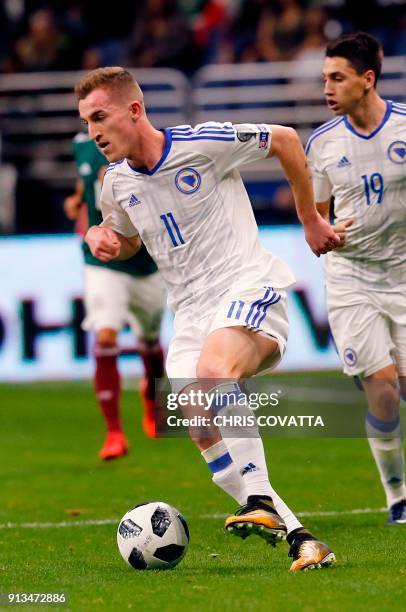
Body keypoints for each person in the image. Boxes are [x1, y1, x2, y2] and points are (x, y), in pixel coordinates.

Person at [76, 66, 342, 570]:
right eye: (87, 122)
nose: (93, 133)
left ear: (134, 111)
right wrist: (100, 238)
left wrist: (310, 218)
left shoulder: (202, 144)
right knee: (198, 423)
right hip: (192, 311)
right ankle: (301, 538)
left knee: (213, 375)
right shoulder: (114, 183)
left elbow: (285, 140)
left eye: (100, 117)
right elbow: (125, 236)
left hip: (247, 285)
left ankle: (258, 498)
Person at [306, 32, 406, 525]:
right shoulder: (322, 145)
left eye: (337, 77)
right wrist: (324, 234)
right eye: (325, 78)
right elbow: (317, 218)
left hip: (404, 274)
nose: (328, 87)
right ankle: (397, 496)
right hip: (351, 279)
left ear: (367, 80)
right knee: (384, 389)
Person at [64, 132, 166, 459]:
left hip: (147, 263)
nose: (95, 126)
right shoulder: (83, 146)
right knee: (105, 336)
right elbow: (85, 185)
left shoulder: (147, 145)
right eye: (88, 117)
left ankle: (152, 402)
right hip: (102, 261)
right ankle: (114, 433)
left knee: (150, 342)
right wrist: (77, 202)